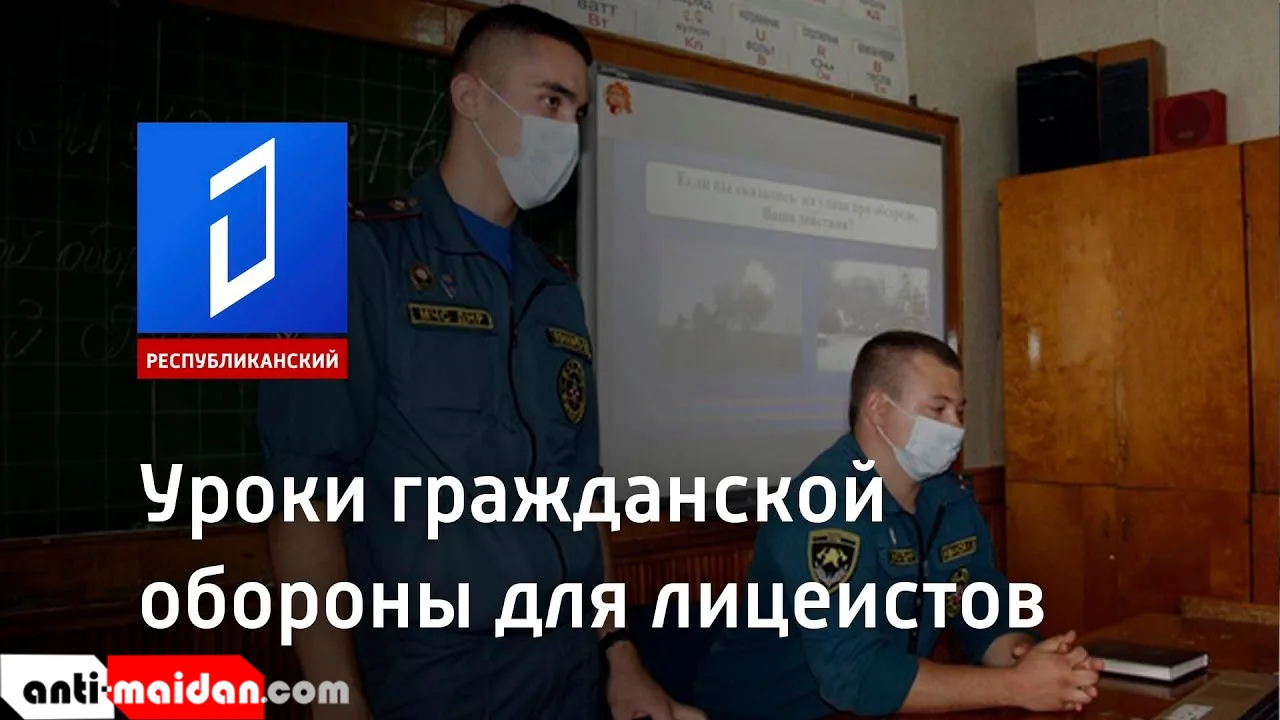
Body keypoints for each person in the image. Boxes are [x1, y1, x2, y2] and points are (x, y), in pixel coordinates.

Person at [258, 6, 703, 719]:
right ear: (470, 96)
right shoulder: (353, 254)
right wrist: (333, 699)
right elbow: (303, 499)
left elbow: (578, 494)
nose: (567, 130)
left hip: (568, 671)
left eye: (578, 112)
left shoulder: (555, 289)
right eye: (550, 101)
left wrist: (619, 657)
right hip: (438, 678)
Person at [692, 330, 1104, 719]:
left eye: (960, 411)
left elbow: (981, 611)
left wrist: (1030, 660)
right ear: (878, 409)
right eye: (938, 409)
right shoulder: (825, 505)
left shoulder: (950, 498)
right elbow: (853, 674)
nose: (956, 427)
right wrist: (1014, 687)